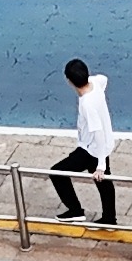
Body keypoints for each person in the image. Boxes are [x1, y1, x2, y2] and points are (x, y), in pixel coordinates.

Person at [50, 58, 117, 224]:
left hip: (91, 149)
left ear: (69, 81)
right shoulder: (96, 83)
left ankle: (75, 210)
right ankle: (109, 218)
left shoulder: (87, 104)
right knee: (104, 183)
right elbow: (104, 79)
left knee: (57, 173)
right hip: (102, 146)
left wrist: (100, 164)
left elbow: (97, 132)